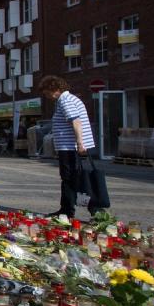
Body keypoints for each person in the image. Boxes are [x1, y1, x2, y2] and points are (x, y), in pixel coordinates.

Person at [39, 76, 97, 218]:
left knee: (72, 178)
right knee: (72, 178)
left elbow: (76, 121)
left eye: (46, 92)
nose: (46, 96)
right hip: (69, 147)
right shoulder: (66, 100)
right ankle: (67, 209)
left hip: (70, 148)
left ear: (55, 89)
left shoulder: (66, 101)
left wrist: (79, 142)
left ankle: (80, 210)